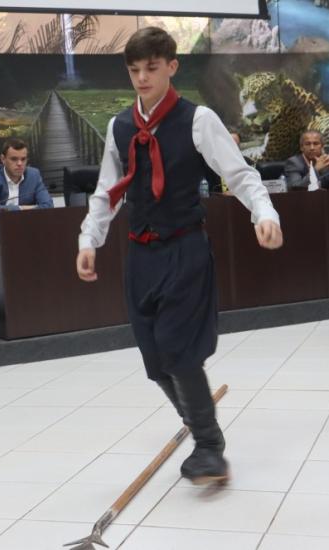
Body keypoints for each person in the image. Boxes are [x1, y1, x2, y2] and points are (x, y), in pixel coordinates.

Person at [75, 27, 282, 486]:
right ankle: (199, 427)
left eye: (151, 68)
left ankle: (209, 447)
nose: (142, 78)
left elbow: (240, 175)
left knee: (180, 352)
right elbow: (107, 191)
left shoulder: (198, 119)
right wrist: (89, 240)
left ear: (172, 66)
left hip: (185, 249)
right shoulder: (120, 126)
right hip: (140, 255)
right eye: (134, 70)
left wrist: (264, 214)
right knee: (156, 362)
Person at [0, 138, 53, 210]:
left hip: (28, 218)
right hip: (1, 219)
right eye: (14, 159)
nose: (19, 163)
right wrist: (22, 208)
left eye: (23, 159)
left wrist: (1, 207)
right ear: (3, 159)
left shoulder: (34, 175)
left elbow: (48, 206)